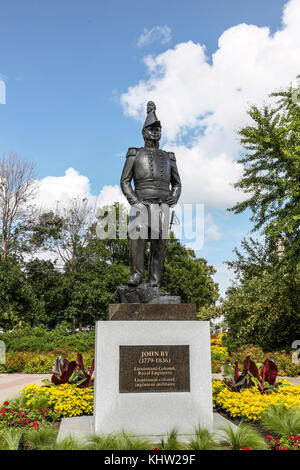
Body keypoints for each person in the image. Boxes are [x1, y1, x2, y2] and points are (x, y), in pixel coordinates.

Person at [120, 101, 181, 287]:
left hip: (162, 205)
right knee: (137, 240)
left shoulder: (168, 156)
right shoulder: (134, 153)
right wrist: (134, 201)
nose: (155, 132)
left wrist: (174, 196)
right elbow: (125, 181)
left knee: (159, 245)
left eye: (158, 129)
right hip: (141, 203)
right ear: (144, 132)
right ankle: (136, 275)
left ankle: (154, 283)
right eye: (152, 129)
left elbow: (177, 183)